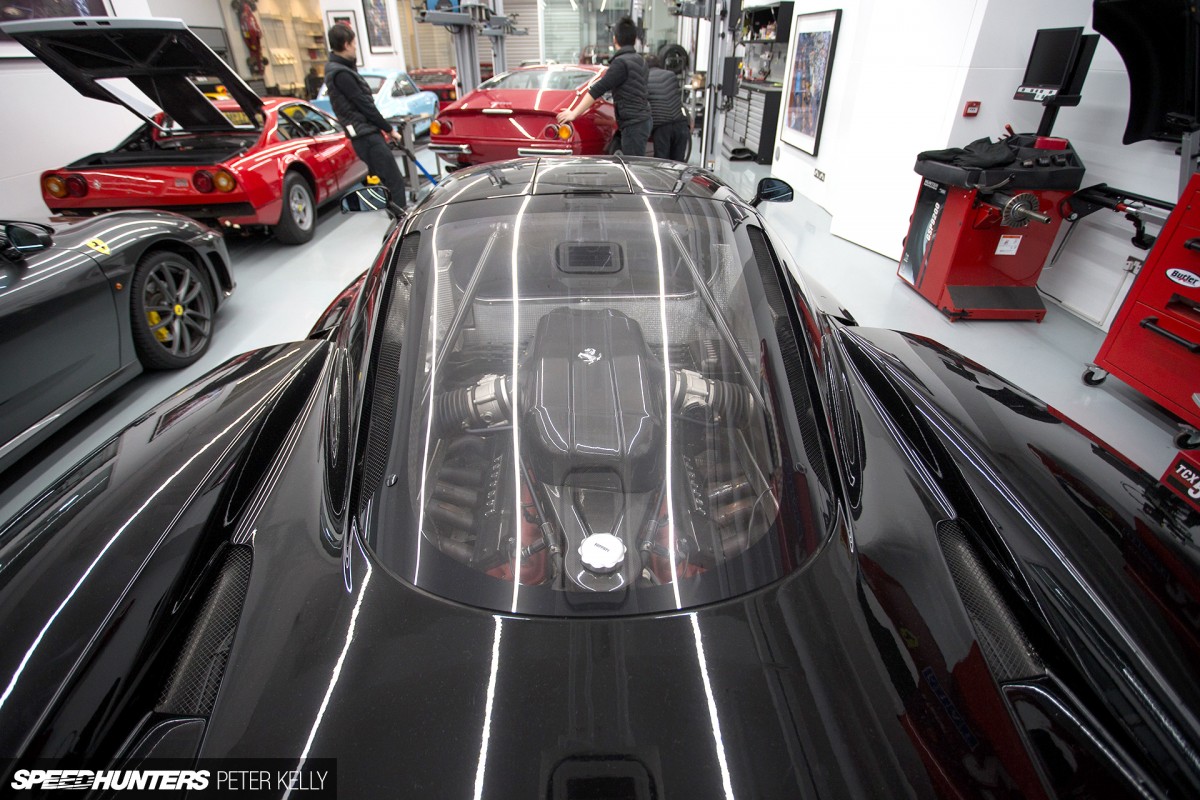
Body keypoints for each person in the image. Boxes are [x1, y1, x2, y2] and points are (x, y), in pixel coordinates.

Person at [323, 24, 406, 200]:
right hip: (366, 137)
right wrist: (389, 129)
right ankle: (402, 216)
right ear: (346, 44)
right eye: (354, 43)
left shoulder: (339, 70)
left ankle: (396, 212)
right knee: (394, 182)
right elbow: (365, 106)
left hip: (363, 135)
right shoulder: (341, 74)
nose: (355, 47)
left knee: (387, 182)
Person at [557, 17, 651, 156]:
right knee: (637, 163)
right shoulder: (640, 61)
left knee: (633, 165)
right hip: (643, 120)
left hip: (633, 124)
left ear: (615, 39)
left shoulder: (621, 63)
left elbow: (597, 89)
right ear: (634, 39)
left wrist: (574, 113)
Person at [644, 54, 689, 162]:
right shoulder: (671, 75)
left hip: (662, 125)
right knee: (679, 162)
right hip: (680, 122)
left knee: (662, 163)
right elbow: (677, 98)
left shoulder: (644, 79)